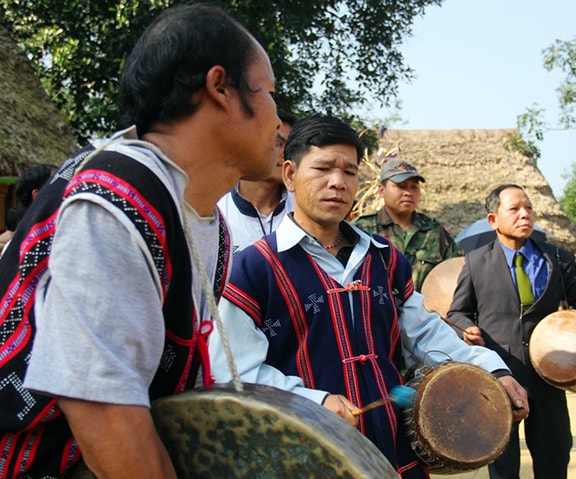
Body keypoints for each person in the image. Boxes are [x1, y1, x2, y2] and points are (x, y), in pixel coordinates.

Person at [0, 4, 280, 478]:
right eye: (270, 92)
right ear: (220, 88)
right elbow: (105, 415)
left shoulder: (205, 218)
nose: (278, 117)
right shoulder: (114, 196)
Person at [209, 115, 529, 479]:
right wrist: (315, 401)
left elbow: (425, 335)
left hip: (392, 450)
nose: (337, 182)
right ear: (289, 175)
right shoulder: (253, 269)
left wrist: (492, 369)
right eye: (323, 168)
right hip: (306, 456)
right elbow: (231, 370)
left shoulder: (386, 258)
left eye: (349, 171)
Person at [446, 184, 576, 479]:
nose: (525, 215)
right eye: (514, 209)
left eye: (529, 208)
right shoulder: (476, 261)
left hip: (550, 377)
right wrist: (467, 328)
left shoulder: (557, 258)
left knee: (554, 457)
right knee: (503, 466)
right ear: (493, 220)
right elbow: (457, 312)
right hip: (500, 377)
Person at [352, 157, 462, 292]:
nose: (408, 193)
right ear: (381, 190)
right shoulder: (361, 229)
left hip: (423, 311)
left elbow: (456, 273)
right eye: (401, 186)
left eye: (414, 187)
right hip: (377, 311)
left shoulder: (433, 231)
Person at [218, 109, 298, 258]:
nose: (286, 154)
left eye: (292, 147)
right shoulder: (217, 212)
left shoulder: (303, 209)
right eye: (278, 143)